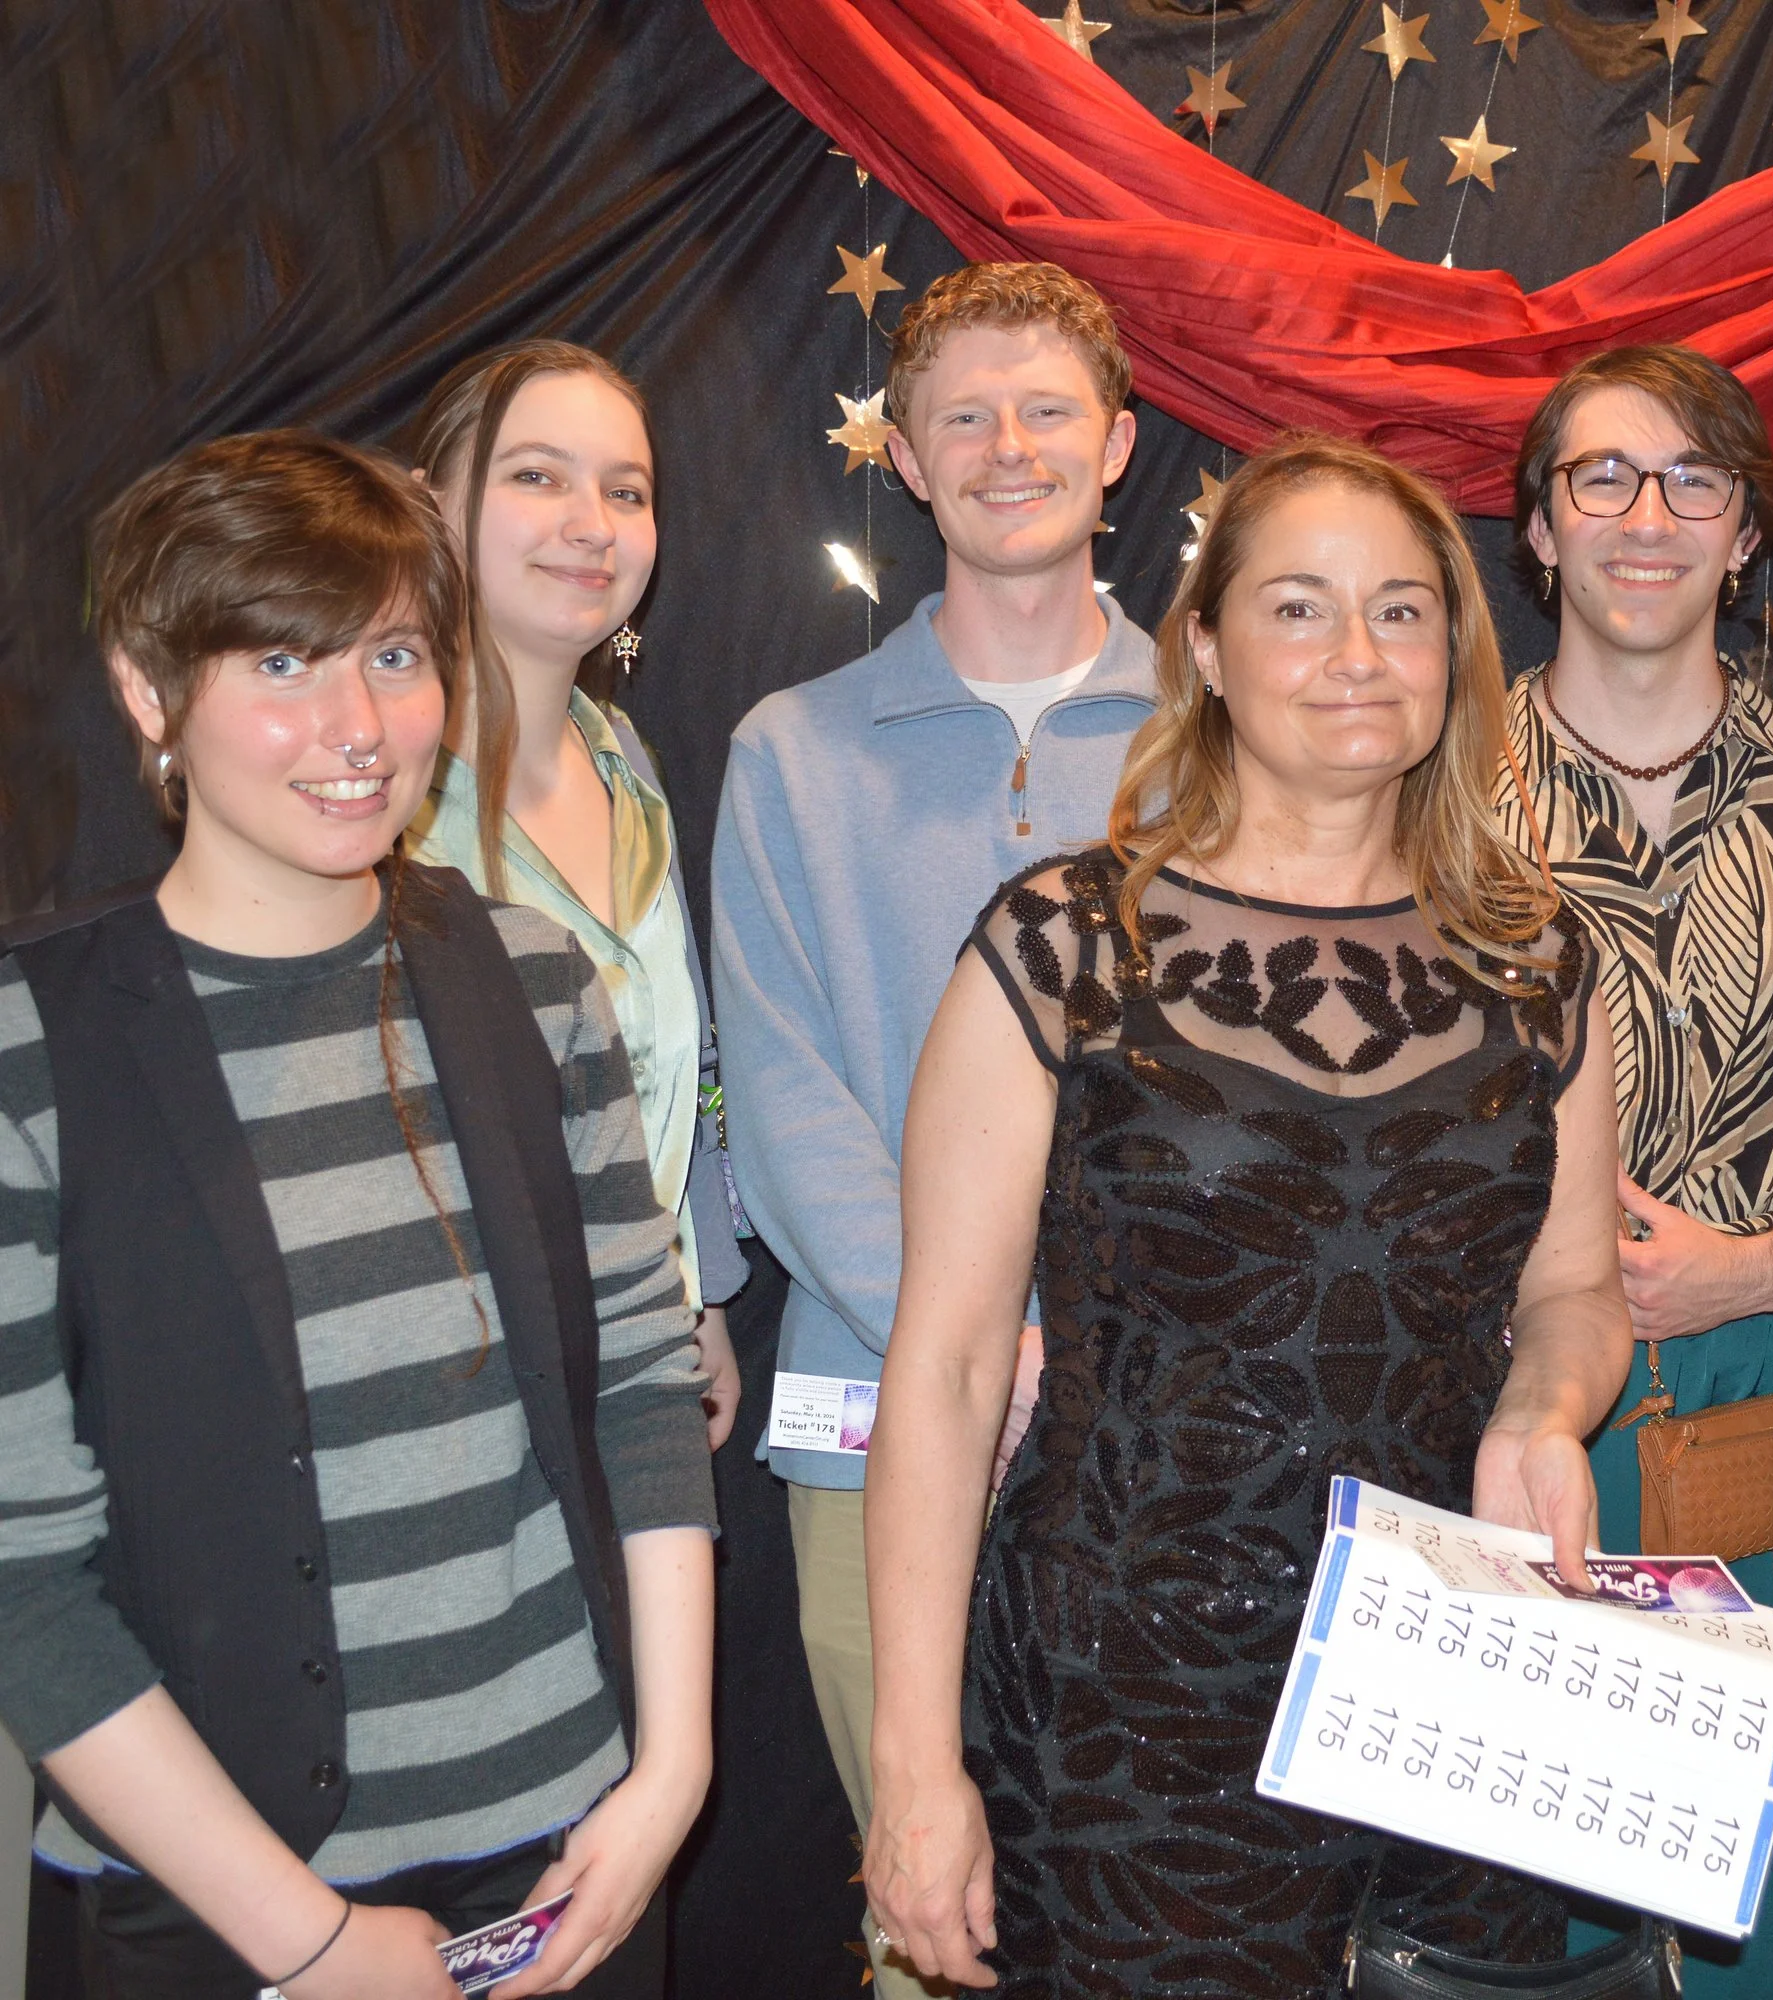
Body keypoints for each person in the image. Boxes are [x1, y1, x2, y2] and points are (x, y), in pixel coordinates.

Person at [858, 431, 1630, 1995]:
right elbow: (942, 1372)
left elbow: (1573, 1297)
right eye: (1298, 609)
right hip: (1126, 1707)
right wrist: (913, 1768)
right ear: (1201, 648)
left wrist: (1545, 1412)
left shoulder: (1541, 960)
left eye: (1403, 613)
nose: (1358, 656)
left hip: (1453, 1693)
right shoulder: (1064, 947)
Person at [0, 430, 717, 1998]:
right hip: (215, 1906)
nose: (357, 728)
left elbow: (649, 1399)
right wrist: (304, 1938)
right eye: (280, 662)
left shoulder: (534, 980)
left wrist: (665, 1783)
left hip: (571, 1863)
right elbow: (24, 1578)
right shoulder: (32, 1044)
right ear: (147, 690)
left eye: (395, 653)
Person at [710, 262, 1154, 1997]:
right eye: (960, 414)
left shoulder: (1225, 736)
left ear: (1116, 444)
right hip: (876, 1419)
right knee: (934, 1924)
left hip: (1163, 1429)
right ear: (904, 457)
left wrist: (1098, 1341)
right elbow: (787, 1085)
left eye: (1046, 407)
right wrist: (965, 1331)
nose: (1006, 445)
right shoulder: (793, 753)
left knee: (1153, 1905)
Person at [1496, 344, 1773, 1996]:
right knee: (1515, 1921)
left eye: (1695, 480)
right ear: (1537, 529)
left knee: (1740, 1931)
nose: (1646, 516)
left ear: (1750, 532)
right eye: (1601, 476)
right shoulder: (1432, 803)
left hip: (1767, 1433)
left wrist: (1766, 1263)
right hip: (1510, 1429)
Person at [404, 339, 747, 1451]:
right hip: (444, 1392)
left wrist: (694, 1294)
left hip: (637, 1363)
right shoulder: (371, 787)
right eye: (536, 475)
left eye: (626, 489)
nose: (591, 521)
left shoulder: (628, 763)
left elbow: (670, 1074)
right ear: (431, 503)